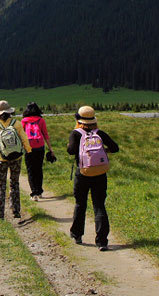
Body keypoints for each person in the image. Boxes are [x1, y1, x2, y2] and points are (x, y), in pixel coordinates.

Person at [66, 106, 118, 250]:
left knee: (80, 204)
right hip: (100, 173)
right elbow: (115, 148)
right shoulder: (100, 133)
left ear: (79, 119)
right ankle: (102, 241)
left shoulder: (76, 133)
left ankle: (77, 234)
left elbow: (70, 151)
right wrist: (103, 150)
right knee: (99, 205)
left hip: (82, 173)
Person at [0, 100, 31, 220]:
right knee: (14, 184)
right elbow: (24, 138)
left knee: (1, 185)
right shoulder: (16, 123)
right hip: (16, 158)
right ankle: (16, 211)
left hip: (1, 158)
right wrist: (28, 150)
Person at [21, 102, 54, 200]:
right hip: (40, 147)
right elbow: (46, 135)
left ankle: (34, 193)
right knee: (38, 169)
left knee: (30, 170)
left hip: (28, 147)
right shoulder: (41, 120)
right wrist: (50, 149)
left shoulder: (24, 121)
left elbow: (21, 135)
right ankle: (39, 191)